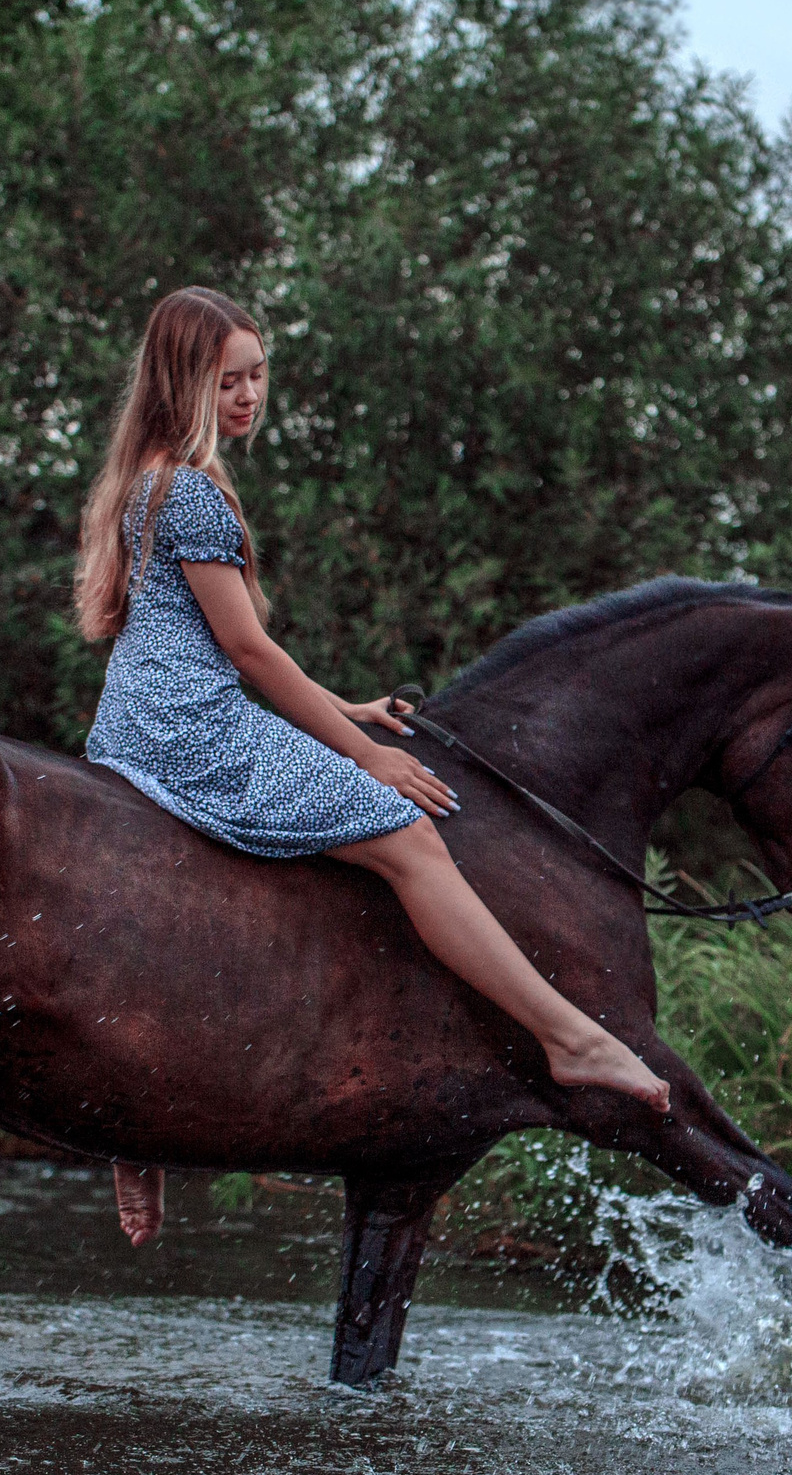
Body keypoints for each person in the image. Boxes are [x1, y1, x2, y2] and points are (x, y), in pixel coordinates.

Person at [75, 287, 669, 1246]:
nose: (250, 395)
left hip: (133, 722)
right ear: (185, 383)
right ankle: (568, 1037)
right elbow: (249, 655)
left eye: (259, 374)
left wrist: (342, 705)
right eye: (228, 380)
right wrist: (368, 755)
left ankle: (129, 1142)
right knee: (413, 841)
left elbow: (193, 635)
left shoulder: (146, 477)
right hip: (194, 729)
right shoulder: (190, 492)